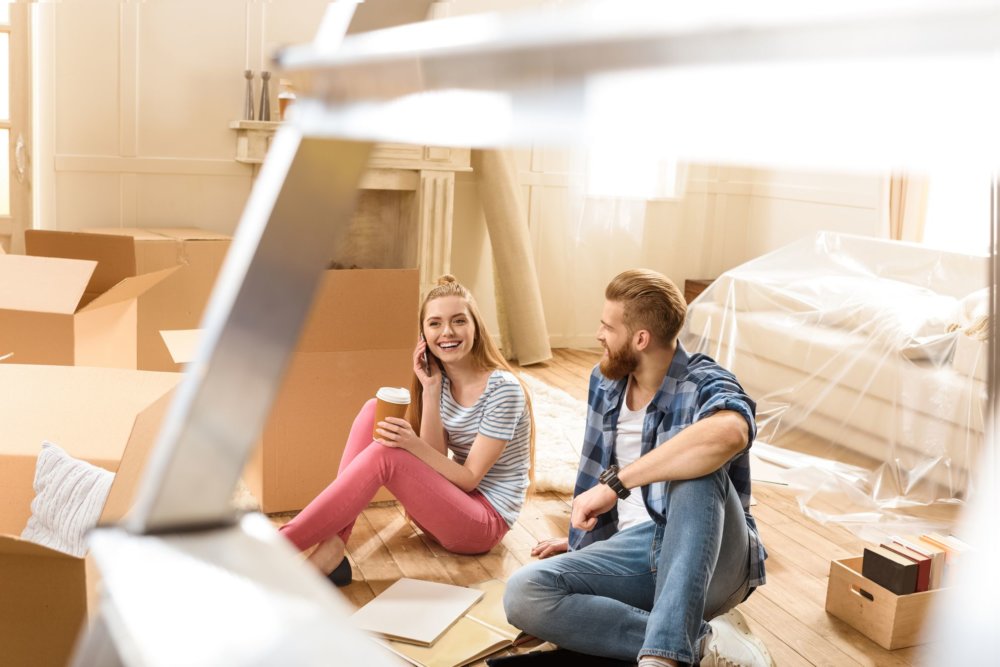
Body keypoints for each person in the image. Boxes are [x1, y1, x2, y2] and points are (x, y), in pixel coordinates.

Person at [503, 269, 772, 667]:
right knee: (524, 592)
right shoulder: (605, 381)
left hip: (714, 560)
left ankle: (660, 661)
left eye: (607, 326)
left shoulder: (703, 381)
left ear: (640, 339)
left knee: (696, 466)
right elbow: (592, 469)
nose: (599, 335)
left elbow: (730, 433)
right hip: (636, 551)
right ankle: (704, 643)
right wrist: (584, 549)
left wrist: (616, 484)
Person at [280, 275, 534, 586]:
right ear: (424, 335)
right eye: (435, 324)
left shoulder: (503, 390)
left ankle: (277, 549)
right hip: (446, 510)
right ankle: (332, 547)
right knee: (374, 409)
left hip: (481, 525)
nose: (447, 332)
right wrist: (430, 389)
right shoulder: (439, 382)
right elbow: (436, 461)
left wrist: (410, 444)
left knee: (386, 454)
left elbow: (468, 480)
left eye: (458, 321)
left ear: (476, 327)